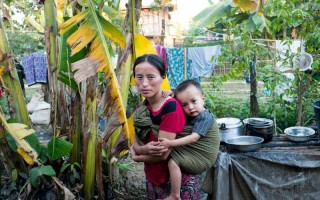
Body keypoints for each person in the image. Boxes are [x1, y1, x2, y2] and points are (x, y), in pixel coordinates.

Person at [130, 54, 203, 199]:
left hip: (175, 180)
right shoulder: (144, 106)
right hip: (153, 174)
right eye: (139, 77)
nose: (144, 83)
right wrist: (140, 148)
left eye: (151, 77)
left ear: (163, 77)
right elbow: (136, 137)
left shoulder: (171, 107)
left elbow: (162, 154)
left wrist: (137, 154)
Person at [159, 79, 219, 200]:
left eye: (194, 101)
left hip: (202, 158)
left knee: (173, 161)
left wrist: (170, 143)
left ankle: (174, 195)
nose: (190, 107)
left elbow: (193, 138)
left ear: (203, 99)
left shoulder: (204, 117)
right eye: (184, 105)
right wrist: (171, 93)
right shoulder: (191, 114)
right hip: (193, 153)